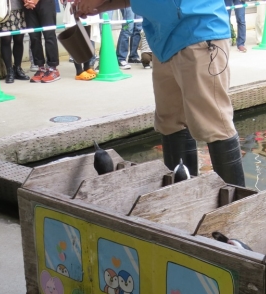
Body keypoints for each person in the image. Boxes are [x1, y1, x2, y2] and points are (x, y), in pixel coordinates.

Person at [76, 0, 246, 187]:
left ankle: (237, 199)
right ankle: (179, 194)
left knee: (214, 124)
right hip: (163, 42)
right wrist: (99, 7)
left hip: (199, 31)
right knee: (170, 123)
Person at [0, 0, 30, 83]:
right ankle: (9, 70)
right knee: (6, 40)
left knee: (19, 39)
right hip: (3, 9)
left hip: (18, 7)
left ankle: (18, 68)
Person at [24, 0, 60, 83]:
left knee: (49, 35)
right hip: (28, 5)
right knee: (34, 36)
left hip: (45, 3)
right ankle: (41, 68)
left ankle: (53, 68)